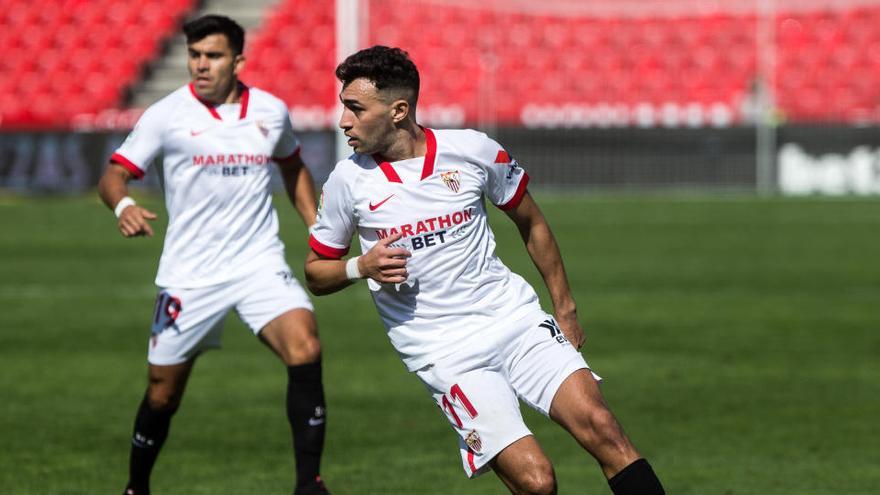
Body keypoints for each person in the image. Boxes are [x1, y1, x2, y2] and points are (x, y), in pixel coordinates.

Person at [305, 46, 665, 494]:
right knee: (537, 482)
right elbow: (316, 272)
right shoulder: (347, 181)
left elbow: (531, 222)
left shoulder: (472, 150)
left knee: (605, 430)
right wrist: (361, 266)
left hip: (513, 320)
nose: (343, 121)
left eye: (355, 108)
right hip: (446, 354)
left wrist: (565, 308)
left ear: (399, 111)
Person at [97, 15, 329, 495]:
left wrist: (317, 228)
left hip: (258, 263)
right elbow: (114, 174)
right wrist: (123, 205)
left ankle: (310, 485)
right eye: (195, 55)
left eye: (214, 55)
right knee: (162, 393)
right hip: (190, 274)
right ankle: (136, 487)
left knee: (305, 345)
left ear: (239, 60)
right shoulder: (166, 114)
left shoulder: (271, 111)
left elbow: (293, 167)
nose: (201, 65)